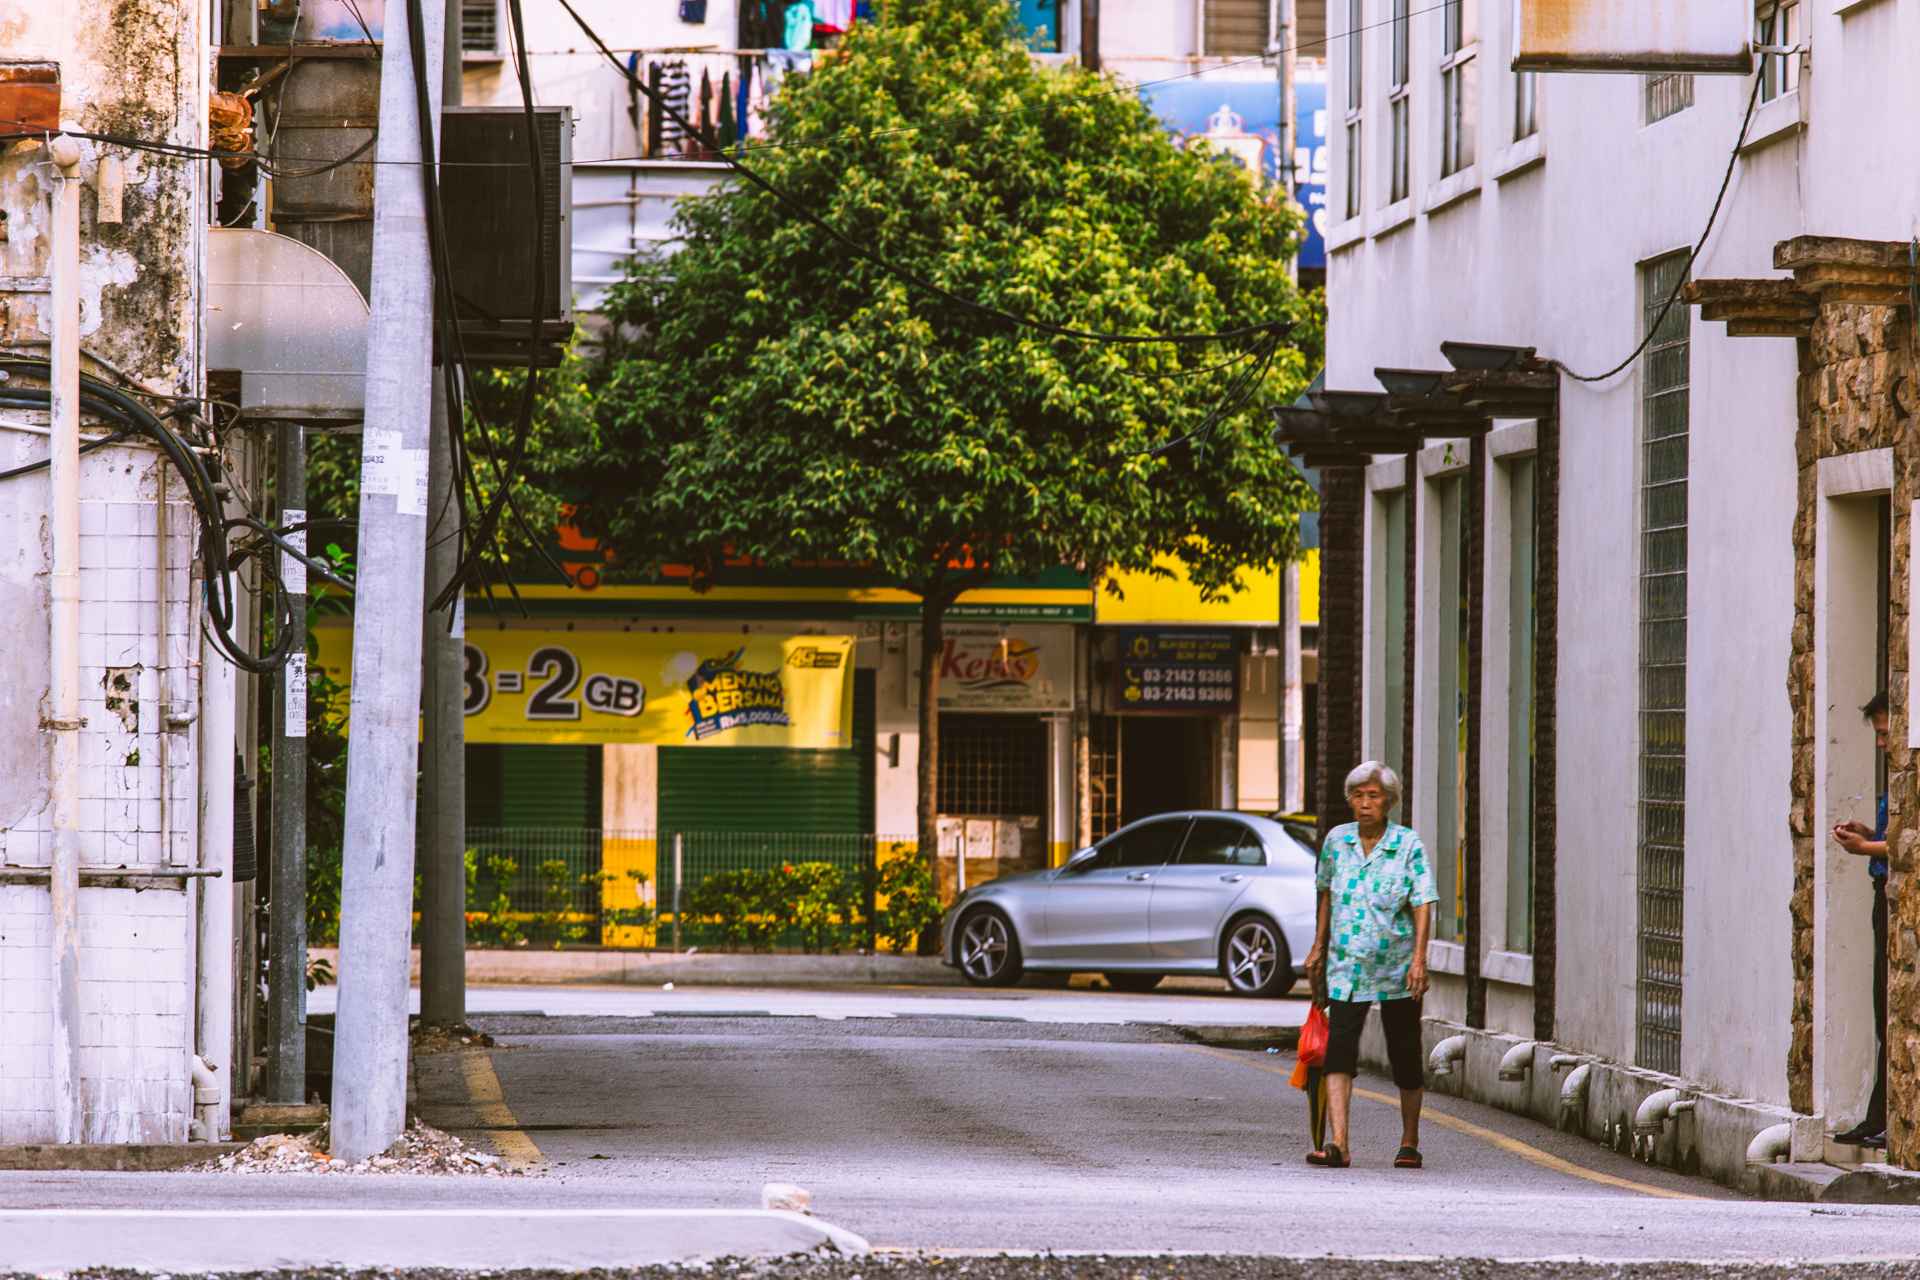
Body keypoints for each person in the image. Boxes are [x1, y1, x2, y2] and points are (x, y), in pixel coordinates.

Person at [1303, 760, 1437, 1169]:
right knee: (1338, 1052)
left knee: (1405, 1055)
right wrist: (1318, 946)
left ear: (1390, 801)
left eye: (1373, 796)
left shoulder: (1407, 843)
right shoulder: (1336, 841)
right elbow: (1325, 893)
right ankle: (1339, 1145)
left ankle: (1410, 1140)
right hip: (1347, 966)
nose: (1364, 804)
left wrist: (1419, 958)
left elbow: (1423, 900)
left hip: (1396, 968)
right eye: (1358, 796)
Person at [1831, 691, 1890, 1148]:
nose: (1881, 744)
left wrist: (1866, 849)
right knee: (1882, 1008)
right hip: (1882, 893)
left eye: (1886, 733)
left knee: (1889, 1009)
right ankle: (1878, 1116)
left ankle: (1882, 1119)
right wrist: (1870, 837)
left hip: (1891, 895)